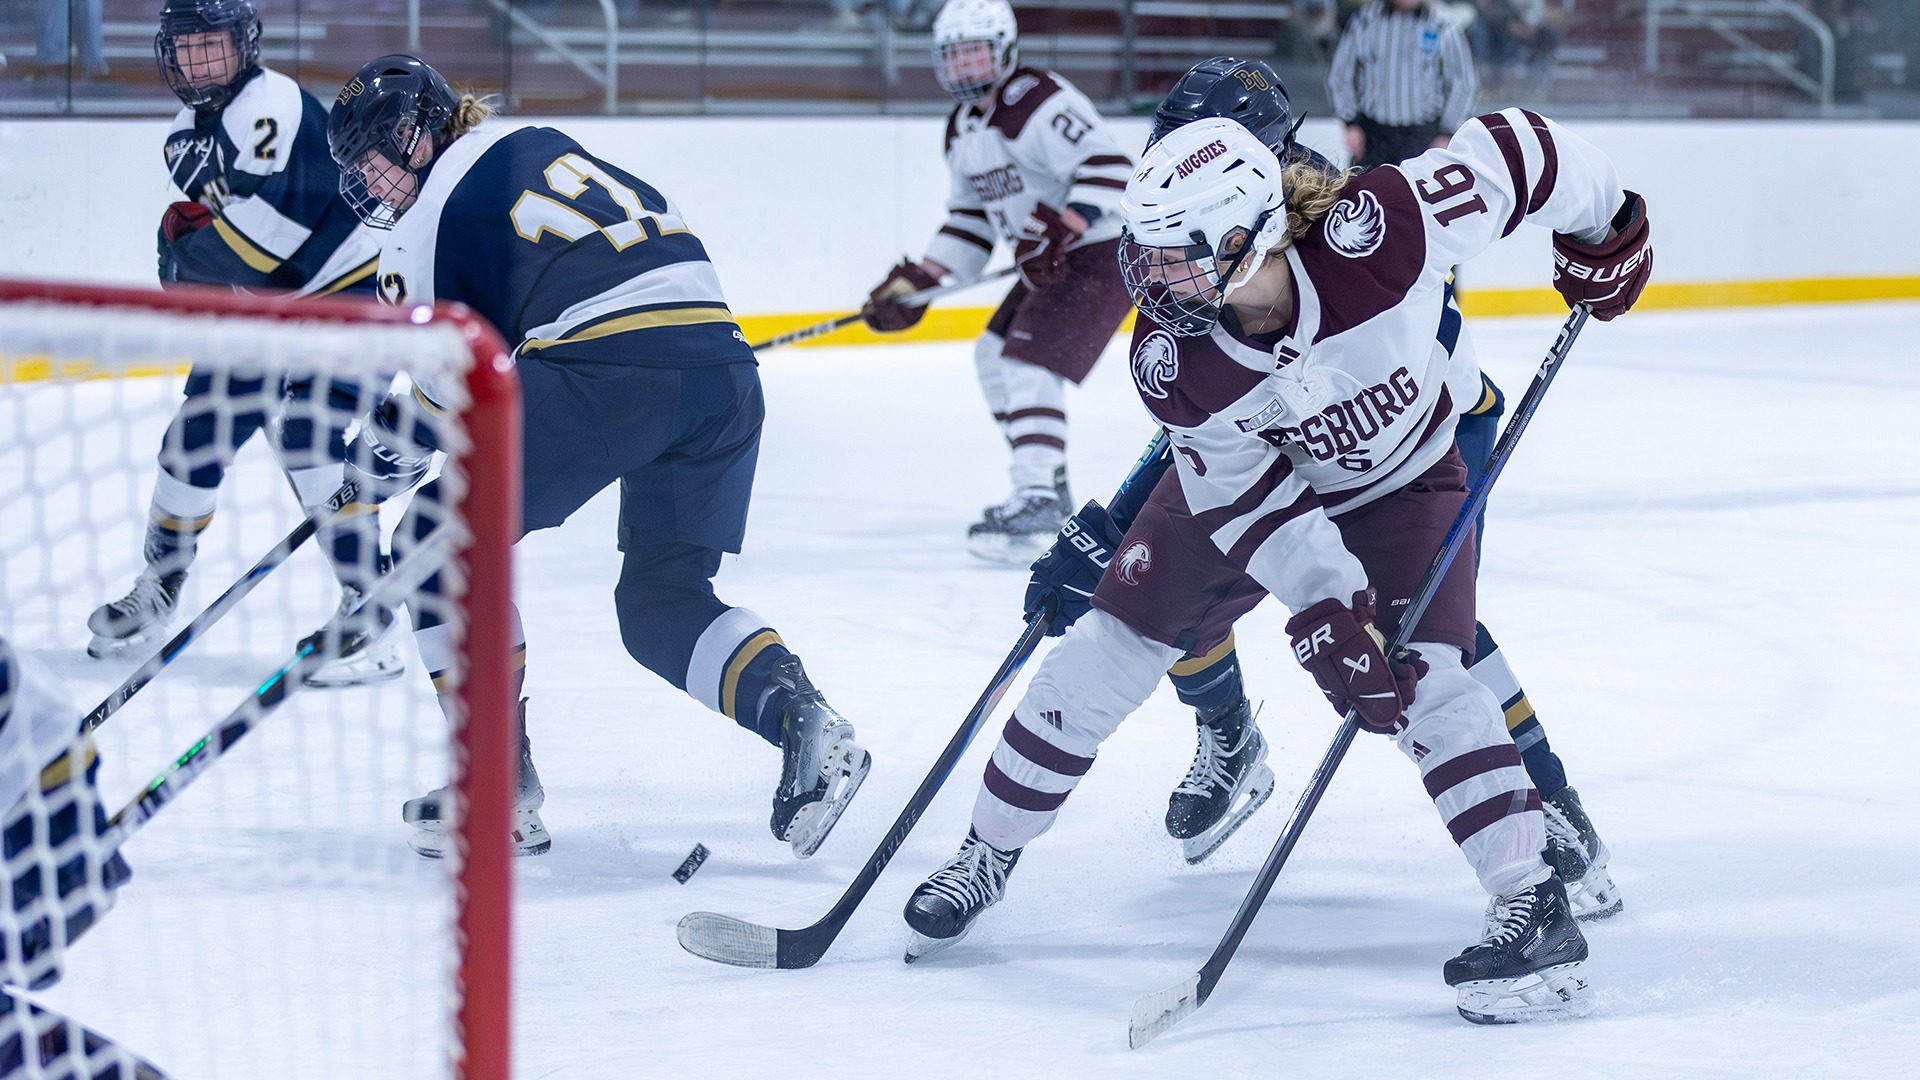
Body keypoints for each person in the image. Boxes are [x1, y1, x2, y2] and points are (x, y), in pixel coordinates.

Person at [903, 108, 1652, 1023]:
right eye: (1149, 253)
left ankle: (1532, 902)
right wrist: (1328, 605)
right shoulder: (1177, 358)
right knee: (1111, 639)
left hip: (1406, 480)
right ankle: (987, 853)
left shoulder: (1382, 229)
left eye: (1176, 254)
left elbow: (1516, 148)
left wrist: (1606, 223)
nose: (1153, 276)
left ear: (1245, 232)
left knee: (1426, 678)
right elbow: (1245, 501)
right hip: (1265, 486)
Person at [1022, 56, 1620, 901]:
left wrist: (1603, 218)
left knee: (1422, 633)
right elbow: (1221, 425)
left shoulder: (1345, 225)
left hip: (1417, 432)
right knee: (1184, 589)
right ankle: (1229, 737)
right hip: (1305, 446)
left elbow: (1313, 379)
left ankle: (1550, 805)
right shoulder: (1206, 223)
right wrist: (1116, 530)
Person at [326, 55, 872, 860]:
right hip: (721, 373)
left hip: (607, 372)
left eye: (381, 153)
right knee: (660, 602)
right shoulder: (538, 143)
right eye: (361, 168)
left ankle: (496, 792)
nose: (375, 181)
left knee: (428, 550)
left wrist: (369, 470)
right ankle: (802, 722)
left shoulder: (425, 222)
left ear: (423, 130)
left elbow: (442, 398)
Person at [86, 0, 399, 689]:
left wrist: (185, 254)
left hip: (351, 295)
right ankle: (159, 589)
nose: (201, 60)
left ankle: (375, 618)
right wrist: (199, 263)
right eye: (188, 47)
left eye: (214, 44)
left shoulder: (273, 101)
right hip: (271, 313)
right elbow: (238, 248)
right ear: (169, 55)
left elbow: (268, 242)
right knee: (191, 440)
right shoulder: (181, 138)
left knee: (308, 436)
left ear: (246, 43)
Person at [859, 0, 1136, 564]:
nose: (965, 67)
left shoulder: (1038, 99)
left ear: (1006, 49)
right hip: (1053, 260)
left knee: (1026, 364)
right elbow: (970, 220)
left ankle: (1035, 496)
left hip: (1101, 252)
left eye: (975, 53)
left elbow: (1111, 165)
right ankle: (1047, 484)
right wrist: (922, 280)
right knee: (992, 355)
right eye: (953, 56)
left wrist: (1063, 224)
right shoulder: (962, 128)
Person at [1327, 0, 1479, 169]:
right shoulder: (1365, 21)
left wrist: (1447, 132)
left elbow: (1463, 84)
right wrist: (1351, 122)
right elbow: (1341, 75)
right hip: (1373, 137)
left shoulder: (1442, 24)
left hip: (1425, 138)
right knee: (1363, 193)